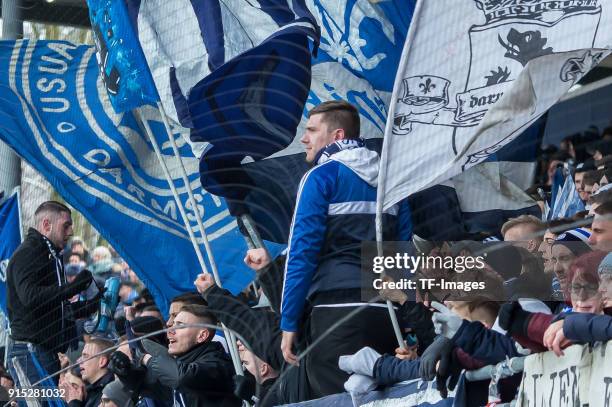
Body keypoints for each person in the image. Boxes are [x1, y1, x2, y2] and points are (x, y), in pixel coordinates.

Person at [279, 101, 412, 397]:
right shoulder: (393, 181)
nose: (304, 138)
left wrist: (288, 321)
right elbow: (405, 254)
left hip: (334, 313)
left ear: (337, 136)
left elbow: (302, 253)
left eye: (312, 130)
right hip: (385, 312)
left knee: (336, 401)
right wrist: (409, 316)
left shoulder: (320, 176)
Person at [6, 201, 97, 386]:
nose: (70, 232)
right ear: (47, 225)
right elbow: (30, 297)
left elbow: (54, 309)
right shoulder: (30, 252)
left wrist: (92, 305)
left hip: (43, 352)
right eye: (66, 225)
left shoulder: (50, 255)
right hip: (30, 353)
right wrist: (73, 287)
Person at [114, 304, 240, 407]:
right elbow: (149, 387)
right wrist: (126, 373)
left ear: (201, 336)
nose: (170, 331)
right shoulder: (183, 363)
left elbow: (182, 377)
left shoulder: (217, 363)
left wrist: (146, 358)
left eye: (180, 326)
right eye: (172, 325)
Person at [69, 337, 115, 407]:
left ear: (102, 362)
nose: (79, 361)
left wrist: (74, 404)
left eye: (85, 356)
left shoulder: (110, 393)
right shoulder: (92, 391)